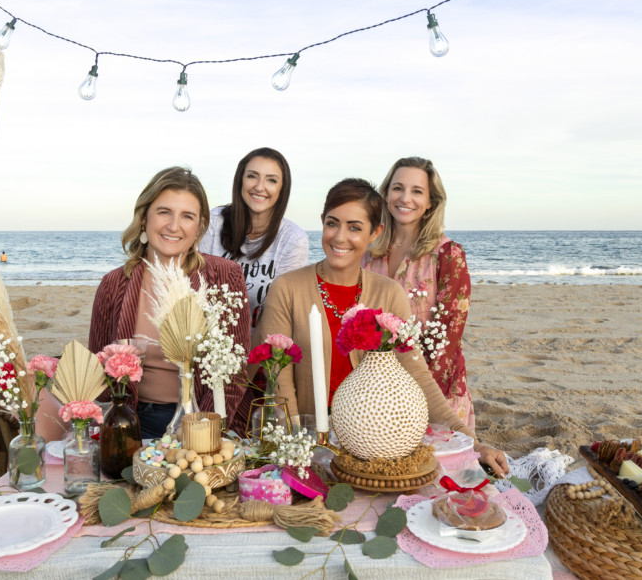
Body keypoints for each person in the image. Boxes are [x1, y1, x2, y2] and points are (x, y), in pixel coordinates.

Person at [255, 178, 508, 477]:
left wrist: (472, 442)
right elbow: (279, 380)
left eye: (355, 227)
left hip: (374, 446)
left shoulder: (388, 293)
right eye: (332, 223)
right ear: (322, 222)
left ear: (375, 232)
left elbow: (416, 374)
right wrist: (298, 446)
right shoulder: (287, 288)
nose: (340, 237)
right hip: (306, 445)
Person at [36, 167, 250, 441]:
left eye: (187, 216)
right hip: (138, 421)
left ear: (199, 227)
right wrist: (51, 369)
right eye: (164, 212)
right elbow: (102, 377)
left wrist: (200, 432)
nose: (174, 225)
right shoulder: (113, 284)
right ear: (144, 218)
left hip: (209, 418)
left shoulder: (224, 275)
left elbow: (233, 372)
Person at [364, 156, 476, 432]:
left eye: (417, 191)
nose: (405, 198)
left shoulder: (448, 254)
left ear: (430, 202)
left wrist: (413, 395)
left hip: (433, 391)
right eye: (398, 188)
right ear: (387, 193)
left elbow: (449, 337)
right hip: (373, 390)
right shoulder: (367, 252)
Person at [199, 148, 309, 328]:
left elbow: (283, 312)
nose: (259, 187)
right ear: (240, 180)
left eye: (271, 180)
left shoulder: (293, 240)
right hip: (204, 342)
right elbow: (195, 290)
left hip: (261, 349)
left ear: (282, 189)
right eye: (252, 176)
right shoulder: (213, 223)